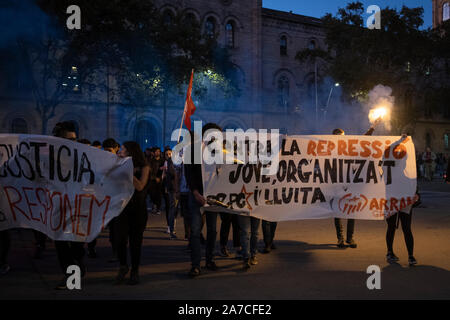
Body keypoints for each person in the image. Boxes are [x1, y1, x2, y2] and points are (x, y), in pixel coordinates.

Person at [332, 121, 379, 249]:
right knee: (338, 212)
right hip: (336, 186)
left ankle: (349, 238)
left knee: (352, 212)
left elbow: (362, 140)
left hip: (350, 185)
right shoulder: (329, 150)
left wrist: (372, 128)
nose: (344, 139)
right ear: (334, 137)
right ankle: (340, 238)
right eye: (341, 137)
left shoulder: (349, 148)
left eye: (344, 136)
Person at [184, 123, 222, 277]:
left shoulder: (219, 152)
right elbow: (189, 174)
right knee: (195, 231)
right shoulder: (192, 151)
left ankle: (210, 259)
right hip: (197, 195)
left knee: (212, 230)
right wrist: (195, 193)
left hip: (213, 197)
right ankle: (195, 265)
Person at [52, 121, 86, 290]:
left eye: (74, 139)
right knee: (62, 243)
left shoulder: (81, 157)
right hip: (58, 207)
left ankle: (77, 268)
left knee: (77, 244)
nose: (72, 143)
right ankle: (72, 277)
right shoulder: (50, 158)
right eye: (68, 139)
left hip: (77, 207)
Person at [114, 141, 150, 285]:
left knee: (135, 242)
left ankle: (135, 271)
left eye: (122, 149)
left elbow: (140, 186)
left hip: (137, 209)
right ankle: (123, 266)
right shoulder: (119, 165)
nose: (119, 151)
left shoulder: (144, 167)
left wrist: (128, 172)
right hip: (121, 208)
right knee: (120, 240)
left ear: (130, 151)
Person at [386, 185, 420, 266]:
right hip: (392, 199)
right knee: (392, 227)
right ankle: (390, 252)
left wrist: (416, 194)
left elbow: (413, 181)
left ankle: (410, 255)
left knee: (406, 228)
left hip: (404, 200)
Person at [102, 138, 120, 262]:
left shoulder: (121, 163)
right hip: (106, 201)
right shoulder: (102, 162)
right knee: (112, 230)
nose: (107, 153)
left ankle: (117, 254)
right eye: (105, 150)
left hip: (118, 201)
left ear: (116, 149)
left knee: (116, 230)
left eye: (109, 150)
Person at [162, 147, 179, 239]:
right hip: (173, 188)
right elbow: (171, 174)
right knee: (172, 208)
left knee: (178, 209)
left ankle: (188, 233)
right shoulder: (170, 161)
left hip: (181, 188)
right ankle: (171, 229)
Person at [149, 147, 164, 215]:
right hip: (152, 179)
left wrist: (160, 178)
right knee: (152, 193)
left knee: (159, 194)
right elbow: (149, 170)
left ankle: (158, 208)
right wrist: (155, 178)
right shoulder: (151, 161)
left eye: (159, 151)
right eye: (156, 151)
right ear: (154, 152)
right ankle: (154, 205)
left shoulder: (162, 161)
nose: (158, 152)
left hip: (160, 179)